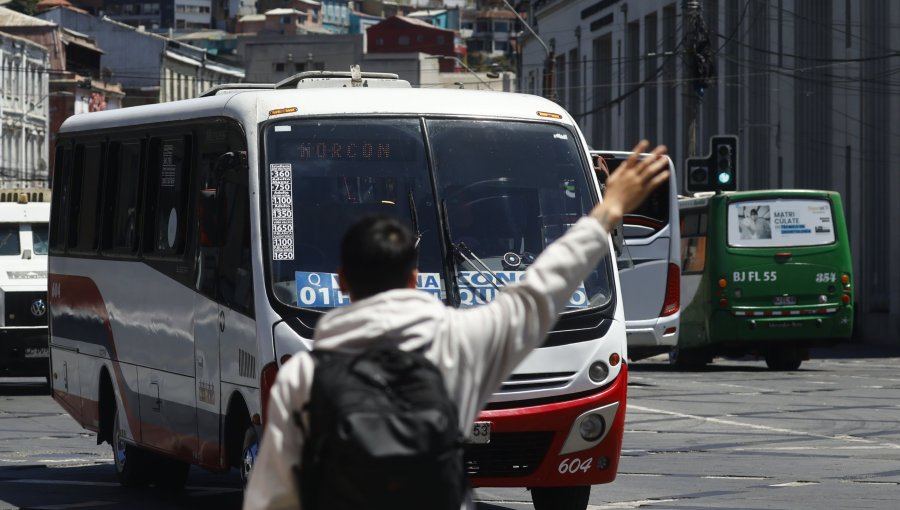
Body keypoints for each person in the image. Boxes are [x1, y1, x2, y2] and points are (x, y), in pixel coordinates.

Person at [243, 140, 670, 510]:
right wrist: (607, 211)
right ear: (413, 279)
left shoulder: (304, 373)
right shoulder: (457, 346)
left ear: (342, 282)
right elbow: (540, 292)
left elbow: (274, 494)